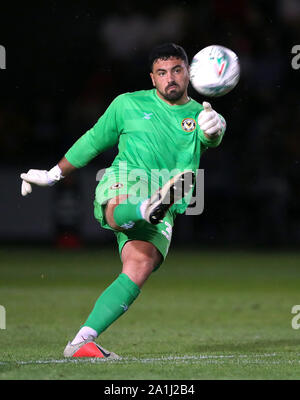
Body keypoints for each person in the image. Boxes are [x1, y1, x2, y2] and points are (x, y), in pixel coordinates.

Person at [20, 43, 226, 359]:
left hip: (166, 200)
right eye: (162, 73)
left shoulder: (201, 115)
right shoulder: (127, 104)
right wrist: (52, 175)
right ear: (152, 77)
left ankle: (79, 343)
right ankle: (145, 207)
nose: (169, 78)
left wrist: (216, 129)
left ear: (188, 72)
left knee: (140, 264)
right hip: (126, 179)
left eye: (176, 70)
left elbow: (211, 137)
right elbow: (93, 140)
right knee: (118, 211)